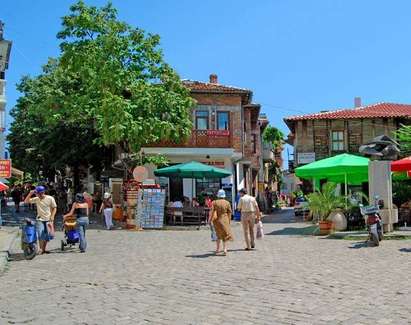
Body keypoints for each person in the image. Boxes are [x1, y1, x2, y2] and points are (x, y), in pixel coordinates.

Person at [24, 185, 57, 254]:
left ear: (44, 192)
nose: (39, 194)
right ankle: (41, 249)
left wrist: (52, 216)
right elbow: (26, 202)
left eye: (41, 193)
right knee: (40, 234)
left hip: (48, 219)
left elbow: (54, 208)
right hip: (40, 219)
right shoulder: (36, 199)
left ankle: (43, 249)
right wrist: (30, 193)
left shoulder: (50, 198)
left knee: (47, 235)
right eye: (38, 193)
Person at [208, 189, 233, 255]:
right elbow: (230, 212)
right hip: (225, 219)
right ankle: (224, 249)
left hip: (216, 220)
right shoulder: (227, 203)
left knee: (218, 234)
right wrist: (229, 220)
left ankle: (217, 249)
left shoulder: (214, 202)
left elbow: (211, 212)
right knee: (224, 234)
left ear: (218, 195)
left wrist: (209, 220)